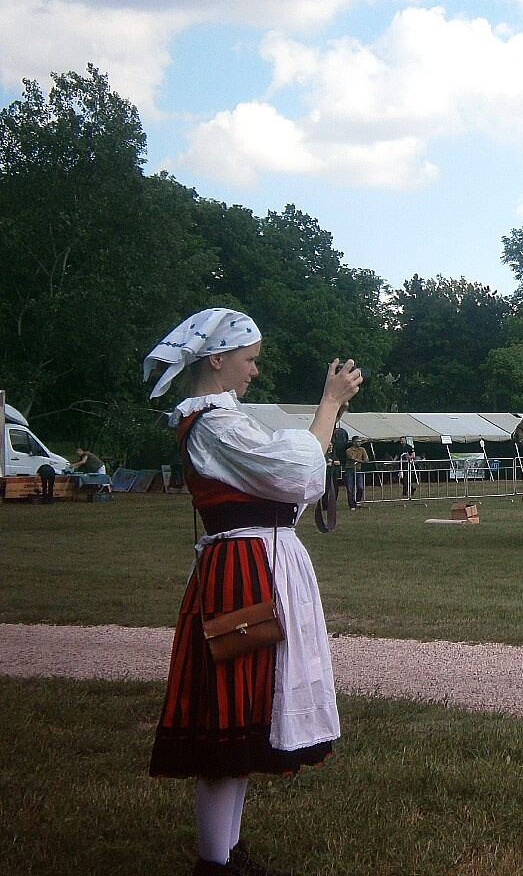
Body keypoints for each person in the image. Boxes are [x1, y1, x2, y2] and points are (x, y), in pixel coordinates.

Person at [142, 307, 362, 876]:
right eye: (249, 360)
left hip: (255, 564)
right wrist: (330, 405)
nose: (254, 371)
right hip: (241, 572)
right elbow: (299, 475)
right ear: (217, 359)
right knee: (228, 717)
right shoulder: (215, 425)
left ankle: (228, 852)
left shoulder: (225, 421)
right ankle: (214, 863)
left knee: (247, 713)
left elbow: (294, 484)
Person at [344, 436, 369, 510]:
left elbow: (366, 459)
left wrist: (363, 461)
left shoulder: (362, 449)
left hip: (358, 469)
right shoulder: (348, 450)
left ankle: (358, 501)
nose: (360, 443)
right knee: (350, 488)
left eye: (360, 441)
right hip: (349, 470)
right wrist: (362, 461)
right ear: (353, 442)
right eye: (358, 441)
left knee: (360, 487)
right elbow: (351, 458)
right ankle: (352, 505)